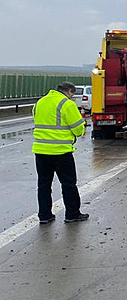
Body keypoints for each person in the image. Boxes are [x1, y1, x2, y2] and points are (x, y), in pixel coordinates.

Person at [32, 82, 89, 224]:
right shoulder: (66, 104)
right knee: (68, 184)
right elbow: (78, 129)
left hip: (40, 151)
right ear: (69, 92)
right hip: (61, 152)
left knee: (44, 185)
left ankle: (44, 216)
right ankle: (72, 214)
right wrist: (81, 128)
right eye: (72, 94)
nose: (72, 97)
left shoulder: (40, 102)